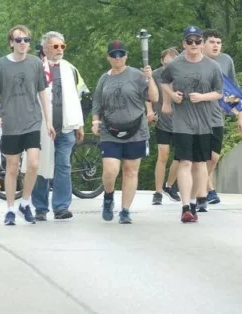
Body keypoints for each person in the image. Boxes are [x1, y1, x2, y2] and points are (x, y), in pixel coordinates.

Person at [0, 24, 54, 226]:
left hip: (32, 120)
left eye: (26, 40)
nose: (23, 43)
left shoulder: (35, 63)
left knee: (34, 163)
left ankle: (25, 203)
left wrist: (48, 120)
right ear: (11, 43)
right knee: (12, 167)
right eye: (19, 40)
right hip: (11, 122)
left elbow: (42, 91)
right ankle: (9, 209)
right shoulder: (1, 64)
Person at [161, 26, 223, 223]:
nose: (194, 45)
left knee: (200, 163)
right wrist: (171, 97)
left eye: (197, 41)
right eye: (190, 41)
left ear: (202, 43)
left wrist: (203, 97)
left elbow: (219, 93)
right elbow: (164, 81)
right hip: (182, 122)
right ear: (184, 43)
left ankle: (196, 201)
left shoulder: (212, 67)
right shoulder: (176, 65)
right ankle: (185, 206)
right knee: (185, 162)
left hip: (204, 122)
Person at [92, 40, 159, 224]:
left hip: (135, 129)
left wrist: (150, 78)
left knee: (130, 170)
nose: (118, 57)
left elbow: (153, 97)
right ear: (108, 57)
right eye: (114, 55)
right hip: (110, 130)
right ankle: (108, 197)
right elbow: (97, 103)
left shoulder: (137, 75)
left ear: (126, 56)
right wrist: (95, 121)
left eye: (121, 54)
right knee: (110, 170)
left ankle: (125, 210)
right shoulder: (104, 79)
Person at [32, 31, 87, 221]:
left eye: (62, 46)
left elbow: (77, 97)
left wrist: (79, 125)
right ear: (46, 48)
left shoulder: (70, 69)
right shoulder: (36, 68)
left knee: (63, 165)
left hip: (65, 126)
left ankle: (61, 207)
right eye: (56, 46)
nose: (60, 50)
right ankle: (40, 207)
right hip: (42, 128)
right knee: (41, 166)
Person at [201, 29, 242, 205]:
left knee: (214, 157)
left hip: (217, 113)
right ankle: (208, 190)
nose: (216, 46)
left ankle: (201, 185)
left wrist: (241, 117)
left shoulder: (226, 61)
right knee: (201, 156)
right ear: (203, 43)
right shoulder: (194, 60)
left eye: (218, 42)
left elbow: (234, 89)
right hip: (196, 115)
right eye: (212, 42)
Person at [149, 48, 182, 205]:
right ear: (162, 61)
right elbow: (147, 96)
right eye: (167, 62)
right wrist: (149, 112)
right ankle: (158, 192)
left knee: (180, 157)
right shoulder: (155, 75)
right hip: (162, 120)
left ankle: (169, 185)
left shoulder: (182, 74)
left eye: (174, 63)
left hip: (180, 121)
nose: (170, 66)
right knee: (163, 155)